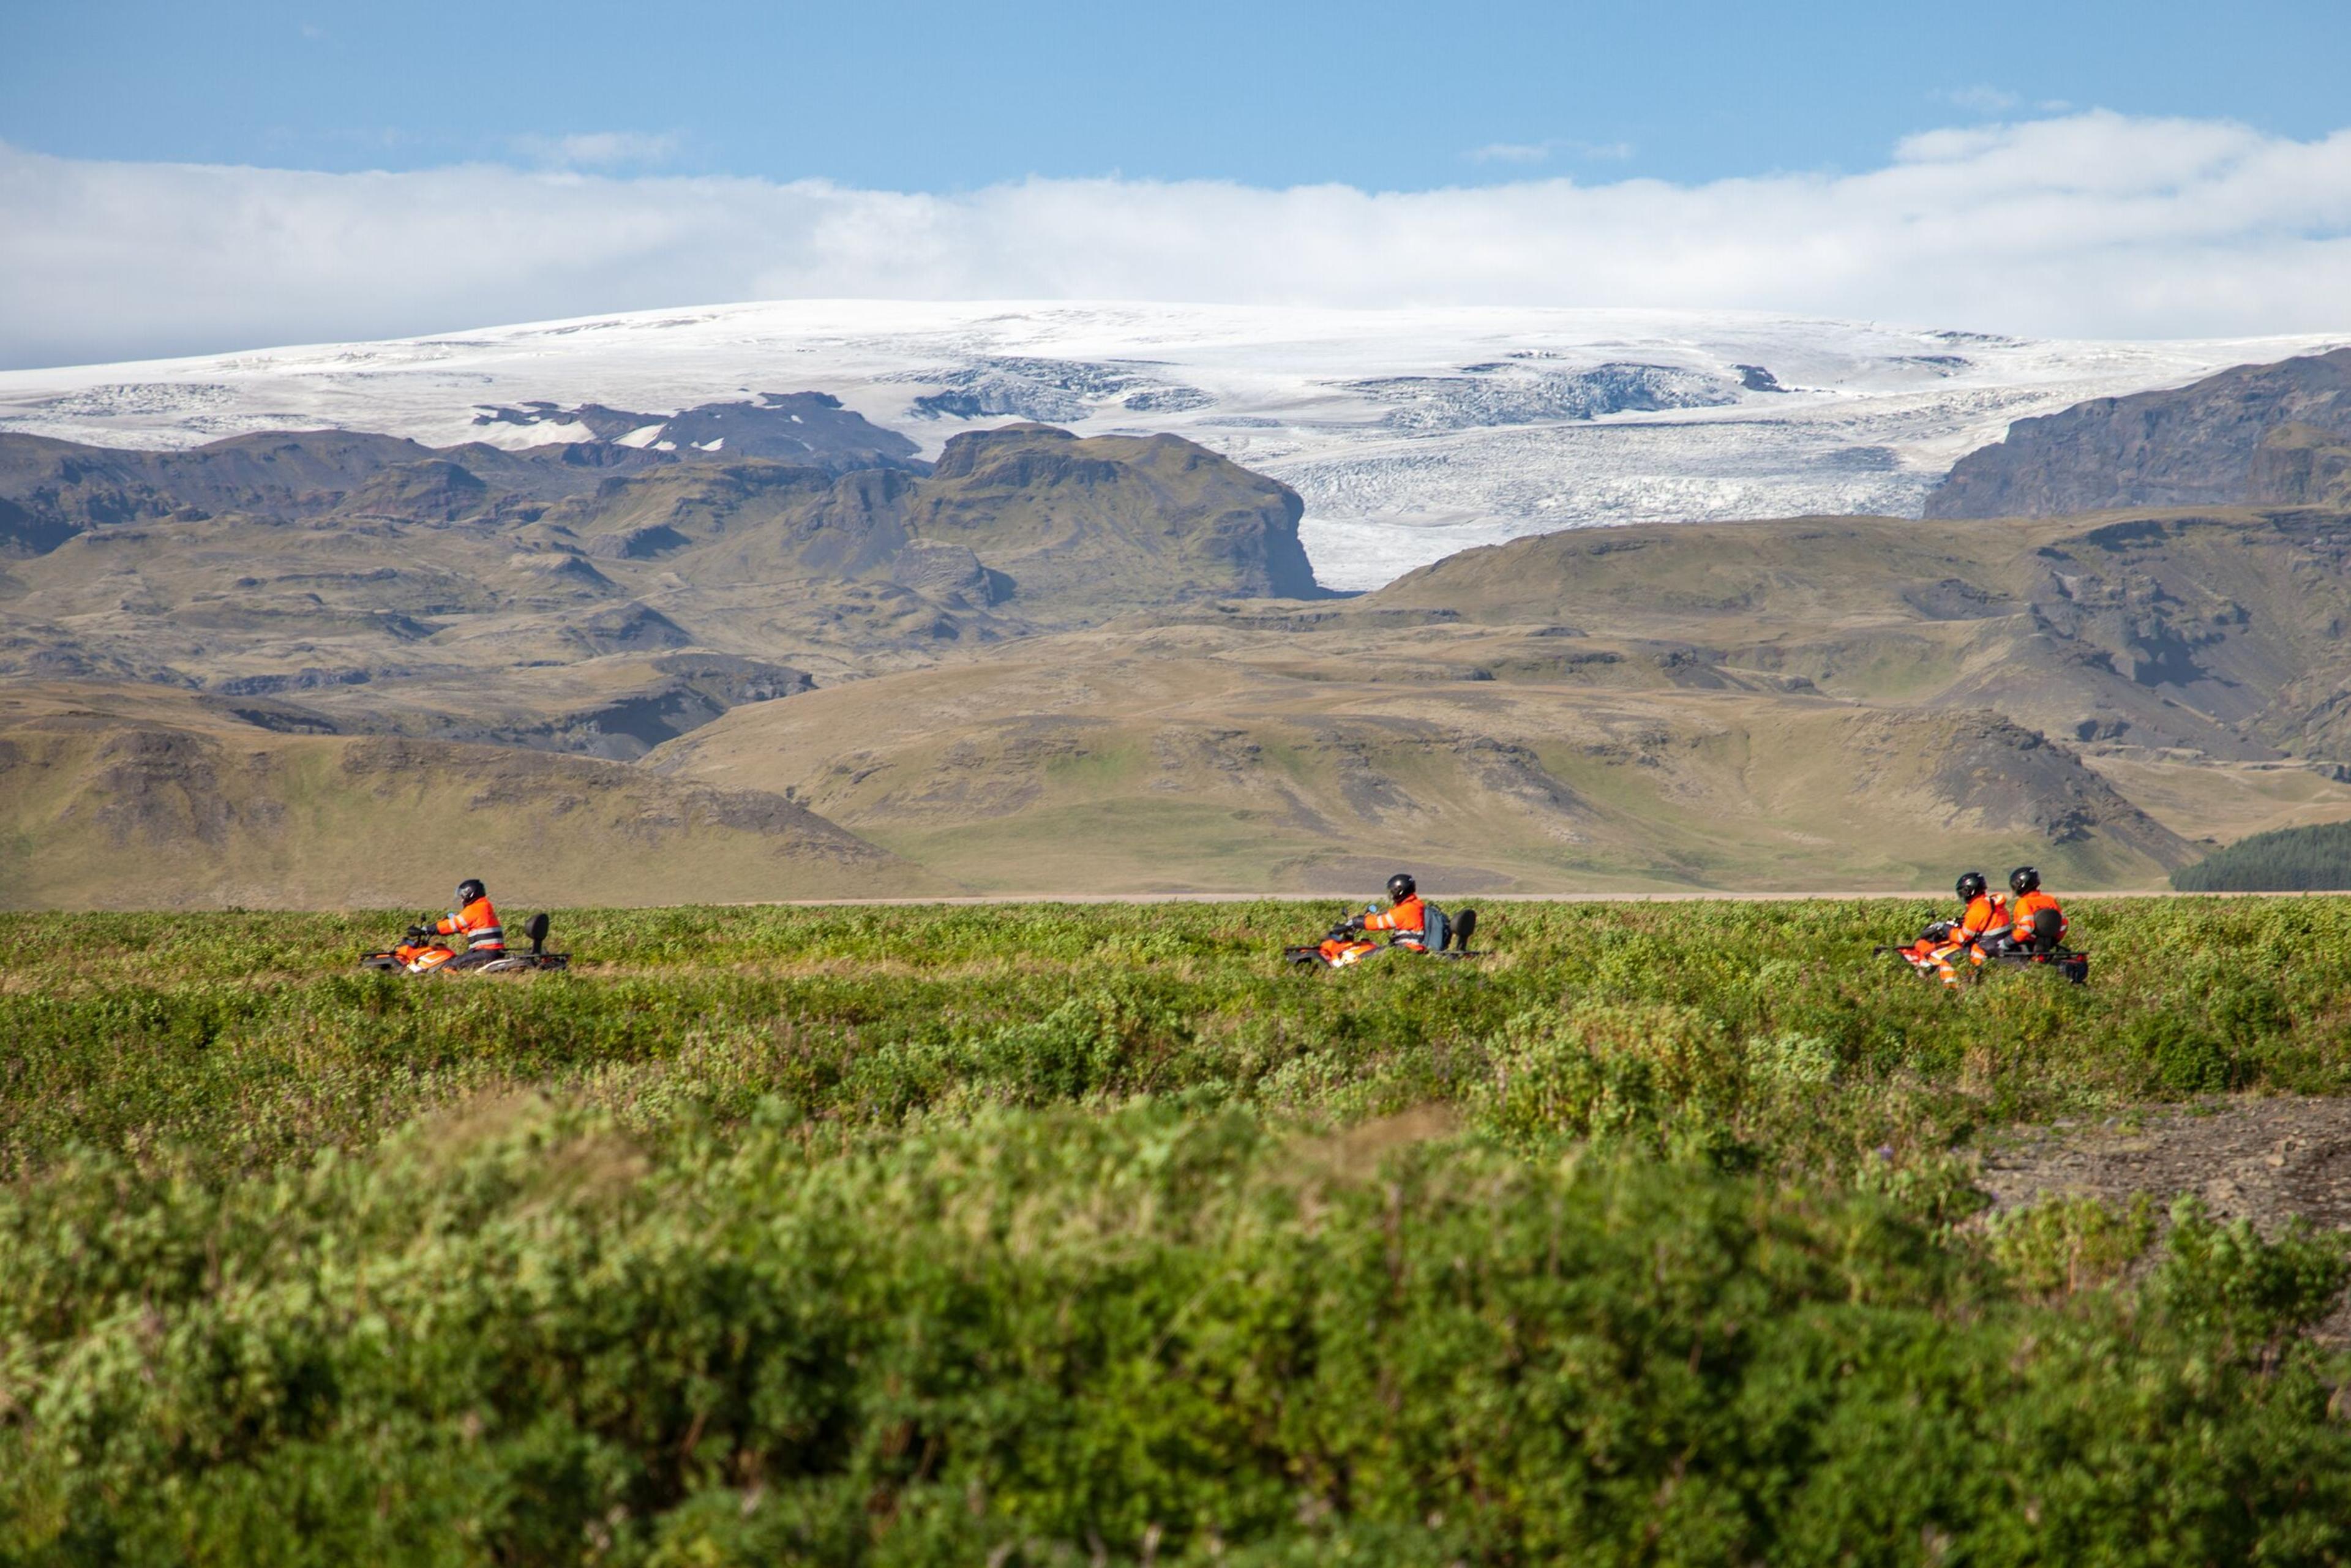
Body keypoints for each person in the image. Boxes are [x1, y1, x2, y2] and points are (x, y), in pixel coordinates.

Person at [1905, 871, 2008, 989]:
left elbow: (1962, 938)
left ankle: (1950, 990)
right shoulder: (1992, 903)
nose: (1962, 896)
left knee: (1947, 960)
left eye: (1962, 892)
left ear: (1969, 891)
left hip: (1983, 949)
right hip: (1995, 945)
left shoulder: (1978, 908)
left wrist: (1946, 928)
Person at [1315, 872, 1429, 966]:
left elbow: (1380, 922)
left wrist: (1357, 922)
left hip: (1406, 950)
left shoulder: (1407, 909)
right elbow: (1388, 917)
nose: (1391, 895)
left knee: (1361, 959)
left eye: (1392, 892)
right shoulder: (1415, 905)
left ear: (1400, 891)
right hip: (1409, 949)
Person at [429, 877, 506, 970]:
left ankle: (455, 982)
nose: (462, 900)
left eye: (463, 896)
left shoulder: (475, 908)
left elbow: (453, 925)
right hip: (490, 951)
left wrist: (427, 929)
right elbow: (471, 929)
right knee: (456, 961)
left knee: (450, 965)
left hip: (486, 952)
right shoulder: (484, 906)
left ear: (470, 894)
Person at [2001, 866, 2068, 954]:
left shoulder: (2024, 903)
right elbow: (2064, 924)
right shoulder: (2050, 900)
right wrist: (2053, 941)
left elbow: (2026, 928)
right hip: (2048, 945)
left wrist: (2007, 942)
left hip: (2027, 945)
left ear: (2020, 884)